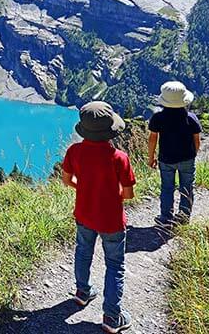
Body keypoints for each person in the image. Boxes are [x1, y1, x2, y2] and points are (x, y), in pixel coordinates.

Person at [62, 101, 136, 333]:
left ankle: (82, 293)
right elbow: (129, 194)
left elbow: (66, 180)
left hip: (84, 214)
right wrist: (111, 196)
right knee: (114, 264)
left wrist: (83, 188)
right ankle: (112, 317)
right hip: (112, 220)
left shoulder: (74, 151)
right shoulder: (119, 157)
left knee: (83, 251)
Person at [147, 81, 202, 227]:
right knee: (187, 187)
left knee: (167, 187)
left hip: (166, 159)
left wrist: (151, 157)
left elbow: (153, 138)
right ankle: (183, 217)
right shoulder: (191, 118)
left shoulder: (158, 117)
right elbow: (197, 140)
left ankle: (165, 218)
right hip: (187, 158)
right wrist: (193, 154)